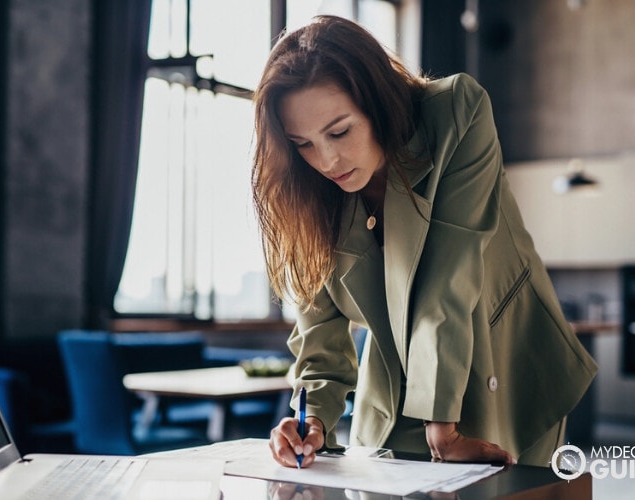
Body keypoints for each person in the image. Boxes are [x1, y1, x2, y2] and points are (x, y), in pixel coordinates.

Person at [251, 15, 597, 469]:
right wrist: (311, 419)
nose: (327, 160)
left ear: (378, 103)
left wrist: (441, 423)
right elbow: (319, 327)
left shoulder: (455, 113)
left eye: (339, 132)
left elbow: (447, 277)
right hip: (393, 389)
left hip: (505, 362)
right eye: (303, 144)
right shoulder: (309, 192)